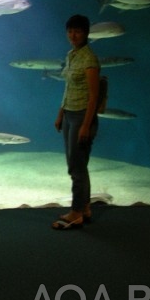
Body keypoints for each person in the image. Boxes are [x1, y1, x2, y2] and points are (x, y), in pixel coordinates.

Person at [52, 14, 100, 230]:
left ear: (86, 33)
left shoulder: (89, 59)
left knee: (76, 167)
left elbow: (93, 96)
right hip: (70, 114)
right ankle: (85, 208)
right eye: (70, 30)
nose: (73, 35)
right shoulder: (71, 55)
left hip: (82, 116)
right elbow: (68, 88)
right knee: (78, 165)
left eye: (77, 31)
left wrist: (85, 125)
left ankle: (76, 212)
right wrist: (60, 114)